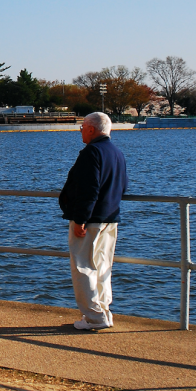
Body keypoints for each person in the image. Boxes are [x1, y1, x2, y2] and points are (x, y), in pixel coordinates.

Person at [59, 112, 127, 331]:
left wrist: (80, 219)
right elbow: (123, 187)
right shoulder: (117, 152)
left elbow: (89, 189)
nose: (81, 131)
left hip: (90, 221)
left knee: (84, 267)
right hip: (110, 218)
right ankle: (104, 312)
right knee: (103, 266)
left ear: (91, 129)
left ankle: (93, 317)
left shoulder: (92, 152)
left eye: (82, 128)